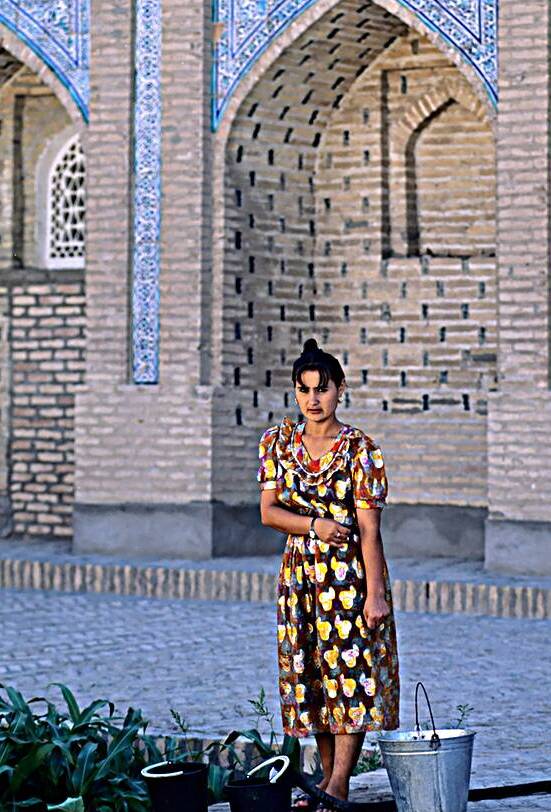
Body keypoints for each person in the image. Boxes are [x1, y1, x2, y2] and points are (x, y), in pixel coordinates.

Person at [257, 338, 400, 811]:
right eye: (304, 389)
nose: (313, 399)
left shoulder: (361, 449)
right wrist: (314, 525)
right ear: (295, 392)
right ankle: (325, 781)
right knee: (312, 676)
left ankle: (338, 782)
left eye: (322, 389)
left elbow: (369, 529)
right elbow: (269, 513)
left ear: (340, 390)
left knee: (350, 676)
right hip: (299, 578)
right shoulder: (277, 442)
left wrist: (375, 594)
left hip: (349, 577)